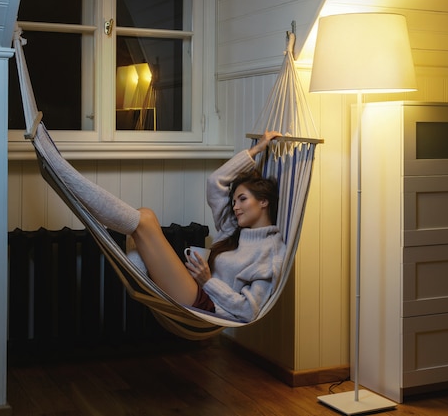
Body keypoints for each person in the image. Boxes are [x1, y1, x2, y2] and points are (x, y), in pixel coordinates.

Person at [33, 126, 285, 322]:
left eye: (242, 199)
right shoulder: (233, 228)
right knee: (146, 215)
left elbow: (250, 310)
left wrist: (208, 281)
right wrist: (256, 150)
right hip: (195, 288)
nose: (235, 207)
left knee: (144, 222)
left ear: (264, 202)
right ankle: (140, 274)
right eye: (234, 200)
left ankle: (66, 174)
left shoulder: (270, 251)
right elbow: (215, 182)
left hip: (207, 304)